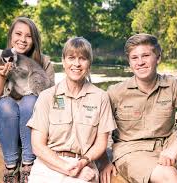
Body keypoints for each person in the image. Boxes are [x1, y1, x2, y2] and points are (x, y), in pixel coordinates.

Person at [100, 33, 177, 183]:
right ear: (129, 63)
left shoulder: (172, 84)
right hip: (132, 153)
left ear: (158, 58)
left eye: (145, 55)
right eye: (134, 58)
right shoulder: (116, 92)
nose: (140, 62)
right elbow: (95, 128)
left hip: (167, 148)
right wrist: (104, 162)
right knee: (168, 174)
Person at [26, 37, 117, 183]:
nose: (77, 64)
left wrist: (81, 164)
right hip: (48, 165)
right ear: (63, 61)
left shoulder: (101, 98)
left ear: (89, 63)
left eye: (83, 58)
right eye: (71, 58)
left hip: (84, 164)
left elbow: (101, 143)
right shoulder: (47, 96)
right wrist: (67, 168)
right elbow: (37, 145)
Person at [0, 16, 55, 183]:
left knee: (31, 101)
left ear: (34, 40)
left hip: (32, 125)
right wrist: (2, 76)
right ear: (11, 36)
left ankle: (28, 163)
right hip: (3, 123)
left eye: (28, 36)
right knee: (6, 105)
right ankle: (11, 165)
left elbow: (53, 100)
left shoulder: (44, 62)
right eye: (18, 34)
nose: (22, 40)